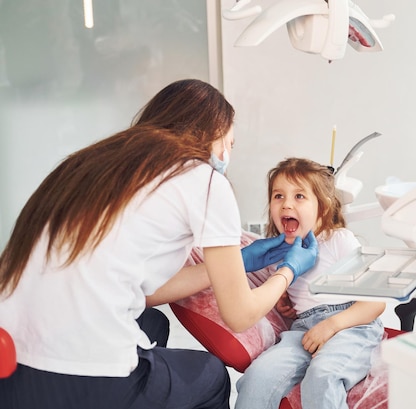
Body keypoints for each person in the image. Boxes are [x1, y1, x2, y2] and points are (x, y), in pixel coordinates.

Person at [0, 79, 318, 409]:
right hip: (83, 377)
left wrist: (234, 262)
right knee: (211, 377)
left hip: (12, 370)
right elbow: (240, 315)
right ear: (213, 138)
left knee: (152, 323)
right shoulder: (204, 180)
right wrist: (289, 271)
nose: (227, 155)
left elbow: (144, 294)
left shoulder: (87, 168)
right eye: (230, 144)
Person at [235, 158, 386, 409]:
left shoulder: (339, 240)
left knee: (322, 376)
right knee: (258, 376)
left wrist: (331, 325)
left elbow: (376, 301)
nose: (287, 204)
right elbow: (292, 295)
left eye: (299, 197)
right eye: (278, 196)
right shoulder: (277, 254)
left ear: (323, 208)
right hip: (302, 330)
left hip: (351, 325)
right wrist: (285, 302)